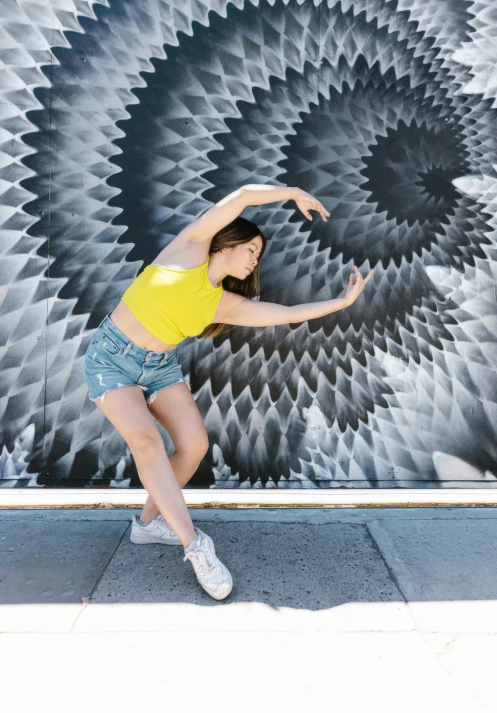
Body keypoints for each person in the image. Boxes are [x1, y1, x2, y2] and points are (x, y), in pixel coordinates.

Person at [84, 184, 373, 600]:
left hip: (159, 368)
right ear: (227, 243)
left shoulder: (223, 304)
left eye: (259, 254)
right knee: (146, 442)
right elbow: (241, 197)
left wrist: (341, 304)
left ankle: (148, 525)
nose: (256, 258)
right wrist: (291, 192)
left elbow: (286, 314)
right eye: (251, 249)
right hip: (111, 359)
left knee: (194, 446)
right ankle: (196, 547)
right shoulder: (188, 249)